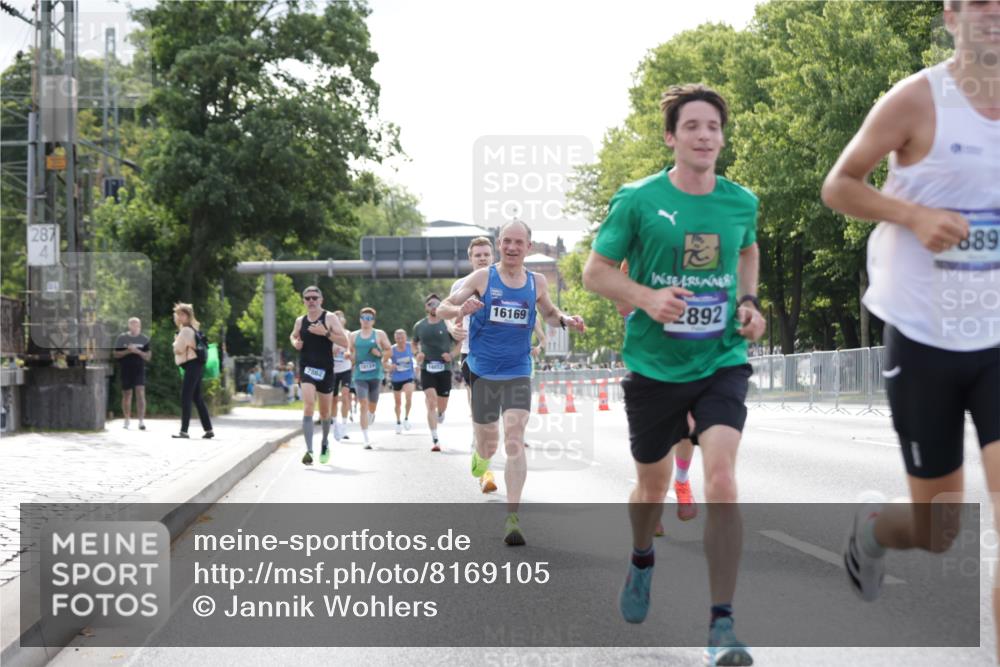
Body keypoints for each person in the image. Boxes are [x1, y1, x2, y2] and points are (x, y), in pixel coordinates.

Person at [821, 0, 1000, 653]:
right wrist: (912, 215)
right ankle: (875, 530)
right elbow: (839, 185)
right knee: (940, 527)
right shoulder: (919, 99)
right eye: (978, 1)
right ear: (952, 16)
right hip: (924, 338)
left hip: (997, 338)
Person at [582, 83, 764, 666]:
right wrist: (646, 296)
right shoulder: (637, 199)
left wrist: (751, 303)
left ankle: (722, 626)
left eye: (714, 126)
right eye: (692, 126)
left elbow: (747, 251)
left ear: (723, 135)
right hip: (655, 367)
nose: (705, 135)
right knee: (652, 491)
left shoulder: (741, 201)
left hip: (722, 359)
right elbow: (594, 272)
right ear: (671, 136)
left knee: (724, 481)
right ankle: (640, 559)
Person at [439, 219, 585, 546]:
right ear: (499, 243)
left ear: (528, 247)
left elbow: (548, 312)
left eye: (519, 242)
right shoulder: (482, 277)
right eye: (507, 241)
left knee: (515, 436)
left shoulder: (537, 282)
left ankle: (512, 517)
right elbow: (447, 307)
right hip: (482, 369)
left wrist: (565, 320)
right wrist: (460, 308)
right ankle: (481, 453)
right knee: (489, 441)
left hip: (518, 368)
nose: (512, 247)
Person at [448, 237, 500, 487]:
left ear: (493, 256)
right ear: (470, 259)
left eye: (486, 254)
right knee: (481, 412)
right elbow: (448, 310)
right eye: (477, 255)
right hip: (473, 353)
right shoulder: (461, 284)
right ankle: (485, 467)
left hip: (505, 355)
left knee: (496, 416)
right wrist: (453, 328)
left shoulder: (506, 280)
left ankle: (481, 449)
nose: (482, 258)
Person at [289, 286, 349, 465]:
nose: (311, 301)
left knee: (324, 412)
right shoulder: (300, 320)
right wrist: (296, 343)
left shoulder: (330, 318)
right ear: (304, 301)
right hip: (307, 368)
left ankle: (324, 442)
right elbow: (293, 336)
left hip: (326, 370)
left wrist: (325, 333)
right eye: (307, 298)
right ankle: (308, 450)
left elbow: (344, 342)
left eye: (314, 297)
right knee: (308, 405)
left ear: (321, 300)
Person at [412, 293, 457, 451]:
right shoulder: (420, 325)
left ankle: (441, 413)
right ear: (426, 307)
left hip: (444, 368)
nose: (434, 306)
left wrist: (451, 355)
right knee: (431, 400)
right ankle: (435, 438)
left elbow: (459, 343)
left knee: (442, 404)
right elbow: (414, 342)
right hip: (427, 367)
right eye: (431, 304)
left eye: (437, 304)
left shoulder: (447, 324)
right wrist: (417, 353)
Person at [171, 303, 216, 439]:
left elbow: (177, 349)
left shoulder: (185, 331)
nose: (179, 317)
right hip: (197, 365)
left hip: (192, 365)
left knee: (186, 397)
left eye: (182, 314)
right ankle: (208, 430)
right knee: (197, 398)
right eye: (178, 314)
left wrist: (175, 341)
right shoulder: (194, 329)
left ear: (188, 316)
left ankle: (184, 431)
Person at [350, 307, 392, 449]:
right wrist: (349, 357)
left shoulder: (379, 334)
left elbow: (388, 350)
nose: (366, 321)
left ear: (373, 321)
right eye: (363, 318)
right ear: (360, 319)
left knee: (372, 406)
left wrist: (380, 354)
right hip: (359, 375)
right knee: (363, 404)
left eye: (369, 318)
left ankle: (372, 413)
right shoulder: (354, 336)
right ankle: (366, 438)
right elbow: (352, 353)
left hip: (375, 375)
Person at [114, 317, 151, 430]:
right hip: (126, 369)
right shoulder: (122, 338)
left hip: (139, 369)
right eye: (132, 325)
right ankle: (127, 419)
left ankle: (141, 421)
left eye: (136, 325)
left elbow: (148, 356)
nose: (134, 327)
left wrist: (137, 351)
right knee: (127, 394)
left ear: (140, 326)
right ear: (129, 326)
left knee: (140, 393)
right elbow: (115, 354)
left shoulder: (144, 339)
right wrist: (127, 351)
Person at [330, 310, 353, 441]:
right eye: (336, 318)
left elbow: (350, 348)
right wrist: (332, 351)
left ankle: (344, 427)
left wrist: (348, 353)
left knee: (345, 396)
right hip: (332, 370)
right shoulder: (329, 335)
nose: (339, 320)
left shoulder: (347, 333)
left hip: (345, 368)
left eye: (341, 318)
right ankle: (335, 426)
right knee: (333, 399)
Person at [388, 329, 416, 434]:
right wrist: (390, 366)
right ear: (395, 339)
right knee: (398, 402)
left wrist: (418, 364)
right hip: (396, 378)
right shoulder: (392, 349)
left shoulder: (410, 346)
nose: (400, 340)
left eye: (402, 337)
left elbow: (417, 356)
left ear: (405, 337)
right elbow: (384, 361)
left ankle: (406, 418)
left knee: (408, 397)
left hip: (408, 376)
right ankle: (398, 421)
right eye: (398, 338)